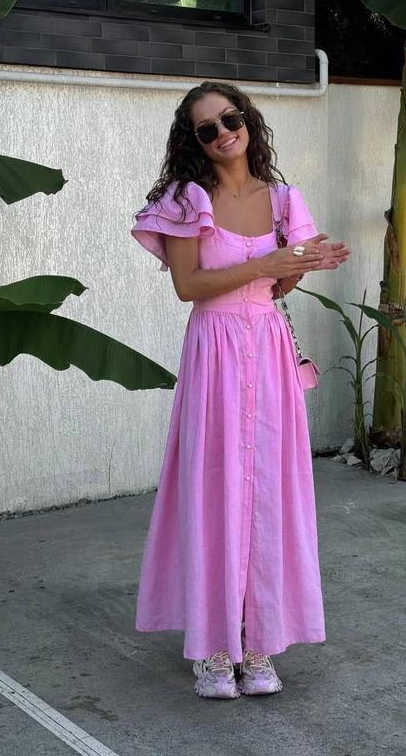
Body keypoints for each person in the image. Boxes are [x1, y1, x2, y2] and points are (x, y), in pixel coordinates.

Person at [131, 81, 350, 699]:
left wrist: (300, 266)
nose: (223, 133)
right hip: (216, 351)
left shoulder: (283, 200)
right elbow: (189, 287)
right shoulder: (185, 200)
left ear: (247, 120)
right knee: (214, 491)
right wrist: (267, 265)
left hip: (268, 352)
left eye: (230, 119)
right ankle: (212, 647)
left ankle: (258, 643)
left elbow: (278, 287)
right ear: (194, 141)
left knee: (269, 493)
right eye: (207, 128)